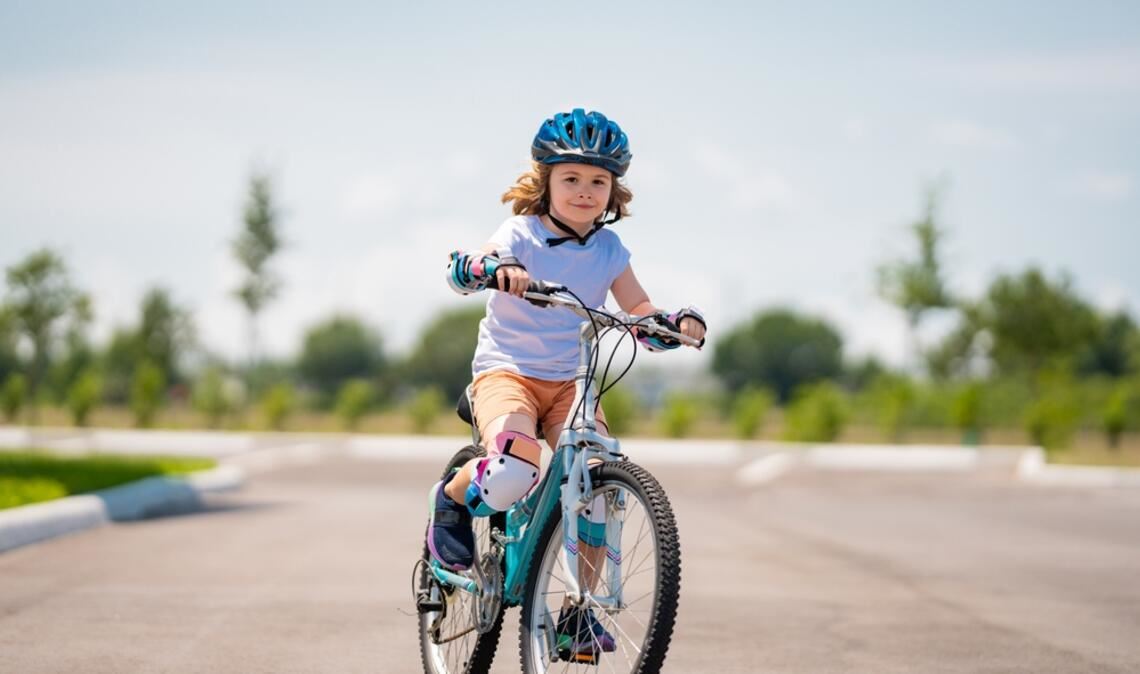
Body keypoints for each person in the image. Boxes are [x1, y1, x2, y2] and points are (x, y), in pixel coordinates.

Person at [426, 108, 706, 658]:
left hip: (569, 382)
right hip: (507, 373)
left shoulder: (609, 251)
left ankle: (578, 611)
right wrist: (490, 269)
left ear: (614, 191)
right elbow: (471, 265)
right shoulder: (521, 233)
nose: (585, 191)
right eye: (571, 178)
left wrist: (671, 325)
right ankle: (453, 500)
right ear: (546, 181)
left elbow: (638, 309)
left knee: (599, 488)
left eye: (598, 181)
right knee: (511, 471)